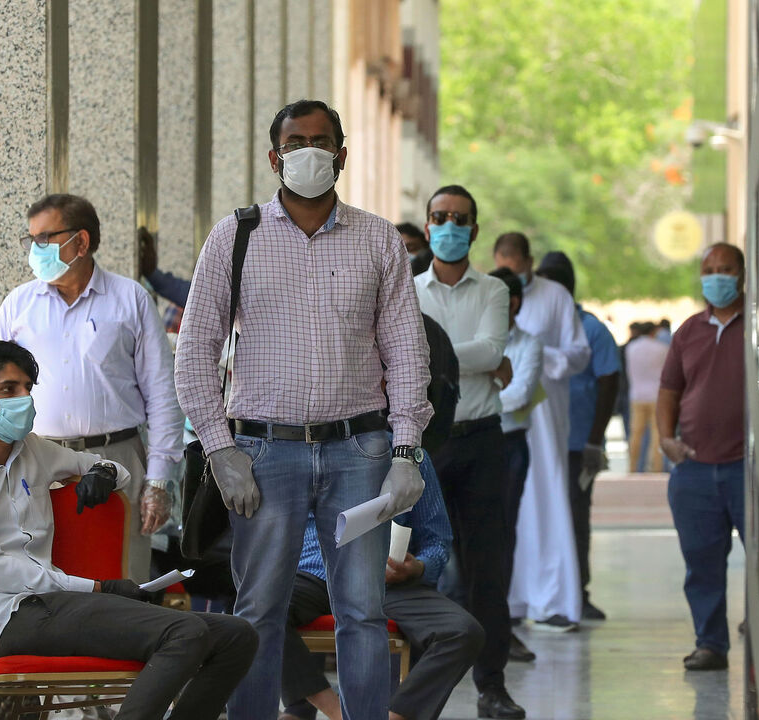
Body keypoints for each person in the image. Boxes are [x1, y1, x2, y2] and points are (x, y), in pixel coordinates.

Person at [175, 99, 432, 720]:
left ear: (342, 156)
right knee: (257, 610)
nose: (309, 152)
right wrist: (220, 447)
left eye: (322, 141)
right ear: (274, 156)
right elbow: (195, 351)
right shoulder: (235, 236)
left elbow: (406, 350)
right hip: (264, 454)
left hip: (360, 452)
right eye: (297, 142)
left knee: (363, 611)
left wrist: (405, 450)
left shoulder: (376, 239)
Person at [0, 339, 258, 719]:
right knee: (185, 633)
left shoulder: (32, 451)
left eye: (28, 388)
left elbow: (114, 469)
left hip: (60, 604)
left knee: (235, 635)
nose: (24, 399)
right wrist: (98, 588)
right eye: (9, 390)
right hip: (6, 619)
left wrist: (102, 471)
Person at [0, 193, 181, 583]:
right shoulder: (19, 305)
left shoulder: (131, 300)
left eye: (45, 239)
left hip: (118, 459)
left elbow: (162, 395)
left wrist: (160, 479)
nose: (35, 250)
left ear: (81, 242)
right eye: (31, 241)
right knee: (43, 584)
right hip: (37, 463)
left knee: (122, 582)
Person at [413, 184, 524, 719]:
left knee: (486, 570)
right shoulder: (408, 290)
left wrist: (429, 352)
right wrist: (457, 357)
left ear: (475, 230)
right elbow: (397, 356)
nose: (450, 226)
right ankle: (413, 684)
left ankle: (493, 685)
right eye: (441, 217)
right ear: (428, 224)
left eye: (460, 218)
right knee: (414, 565)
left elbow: (493, 350)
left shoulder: (493, 291)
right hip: (424, 445)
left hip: (480, 442)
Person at [280, 458, 484, 720]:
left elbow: (437, 539)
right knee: (258, 610)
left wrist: (418, 567)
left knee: (463, 632)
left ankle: (396, 716)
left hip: (387, 579)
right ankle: (335, 711)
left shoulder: (408, 454)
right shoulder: (311, 447)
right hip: (316, 572)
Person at [494, 232, 592, 632]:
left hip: (546, 416)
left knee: (547, 500)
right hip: (501, 418)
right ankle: (511, 600)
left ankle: (553, 600)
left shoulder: (556, 296)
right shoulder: (491, 291)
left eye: (517, 271)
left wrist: (536, 357)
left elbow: (579, 353)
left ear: (529, 263)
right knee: (506, 508)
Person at [657, 243, 747, 671]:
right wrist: (665, 439)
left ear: (742, 275)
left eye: (725, 269)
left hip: (748, 470)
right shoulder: (688, 331)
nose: (717, 277)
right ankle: (710, 644)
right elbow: (668, 392)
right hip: (694, 469)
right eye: (709, 269)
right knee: (701, 565)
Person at [536, 251, 621, 622]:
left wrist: (594, 440)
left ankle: (577, 593)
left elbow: (609, 382)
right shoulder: (532, 325)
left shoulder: (592, 329)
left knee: (573, 518)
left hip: (573, 446)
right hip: (538, 444)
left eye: (558, 280)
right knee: (538, 519)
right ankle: (542, 592)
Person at [490, 267, 544, 663]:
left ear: (512, 302)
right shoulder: (474, 338)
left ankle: (500, 630)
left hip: (508, 447)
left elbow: (520, 396)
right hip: (471, 442)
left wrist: (478, 393)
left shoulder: (528, 344)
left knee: (501, 538)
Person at [626, 322, 669, 472]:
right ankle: (656, 468)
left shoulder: (631, 348)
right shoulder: (662, 349)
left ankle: (632, 467)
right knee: (657, 435)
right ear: (653, 332)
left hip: (637, 395)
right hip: (657, 395)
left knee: (635, 434)